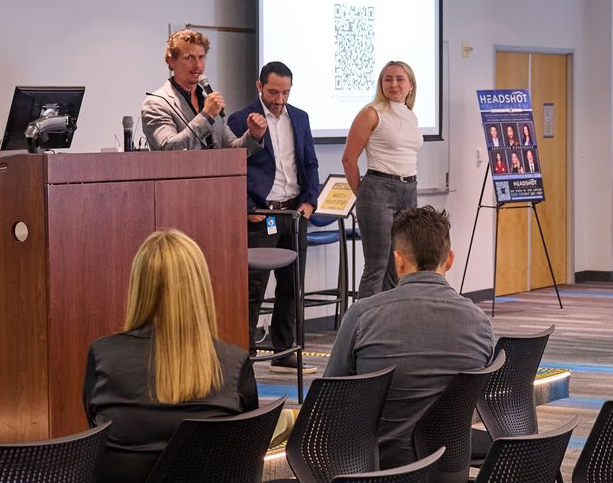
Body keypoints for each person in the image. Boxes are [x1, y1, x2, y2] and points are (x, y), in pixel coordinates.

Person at [84, 229, 257, 483]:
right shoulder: (234, 363)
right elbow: (246, 450)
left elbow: (99, 431)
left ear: (139, 286)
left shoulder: (103, 355)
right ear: (200, 287)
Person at [326, 206, 494, 466]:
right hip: (450, 459)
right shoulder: (480, 323)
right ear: (449, 259)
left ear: (398, 260)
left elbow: (331, 397)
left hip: (375, 461)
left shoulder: (362, 315)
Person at [226, 62, 319, 370]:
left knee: (292, 287)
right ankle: (245, 354)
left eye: (286, 92)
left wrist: (310, 203)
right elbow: (232, 169)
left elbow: (310, 164)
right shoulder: (240, 119)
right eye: (273, 92)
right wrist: (244, 206)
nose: (280, 99)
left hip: (294, 213)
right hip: (261, 214)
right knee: (253, 288)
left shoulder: (301, 118)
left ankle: (285, 352)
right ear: (259, 86)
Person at [342, 60, 420, 297]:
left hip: (409, 189)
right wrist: (364, 195)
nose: (393, 84)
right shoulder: (372, 113)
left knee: (400, 265)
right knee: (376, 266)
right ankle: (364, 326)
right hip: (378, 189)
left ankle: (389, 321)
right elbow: (348, 160)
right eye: (388, 79)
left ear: (410, 86)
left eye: (399, 79)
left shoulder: (410, 116)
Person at [140, 29, 265, 152]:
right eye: (189, 58)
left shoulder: (208, 101)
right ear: (171, 61)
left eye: (201, 57)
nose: (198, 65)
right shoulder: (156, 103)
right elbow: (169, 149)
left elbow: (231, 148)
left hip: (216, 172)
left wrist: (254, 135)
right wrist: (206, 116)